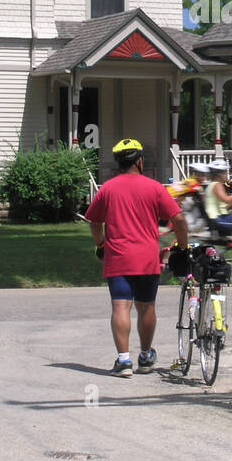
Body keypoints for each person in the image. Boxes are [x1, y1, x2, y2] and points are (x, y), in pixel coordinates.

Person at [86, 138, 189, 377]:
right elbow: (179, 220)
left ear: (118, 163)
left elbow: (94, 221)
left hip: (118, 257)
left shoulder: (107, 189)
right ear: (140, 162)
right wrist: (182, 247)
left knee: (121, 305)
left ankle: (123, 361)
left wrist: (100, 243)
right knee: (146, 307)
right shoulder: (154, 188)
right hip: (146, 258)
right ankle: (145, 356)